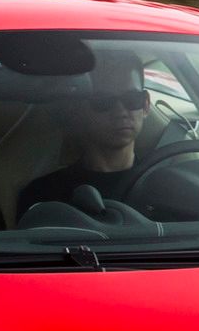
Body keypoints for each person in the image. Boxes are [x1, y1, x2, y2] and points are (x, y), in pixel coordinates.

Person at [16, 55, 155, 220]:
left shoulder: (164, 186)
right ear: (78, 109)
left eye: (132, 99)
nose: (120, 112)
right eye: (103, 101)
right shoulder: (43, 195)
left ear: (146, 104)